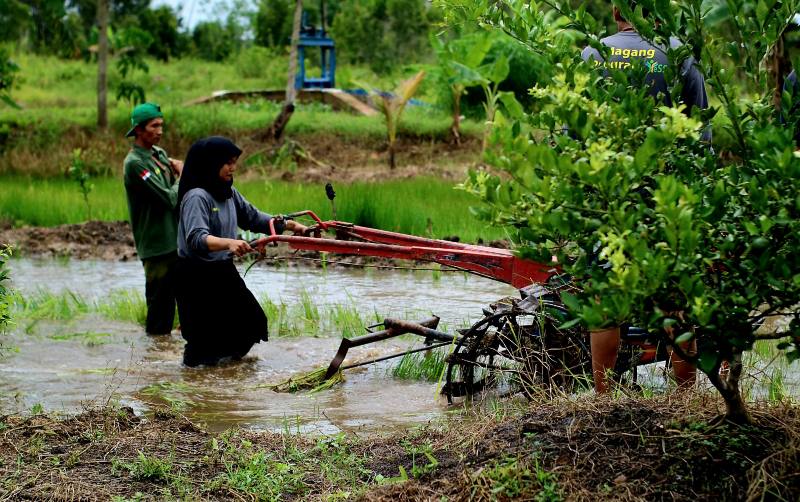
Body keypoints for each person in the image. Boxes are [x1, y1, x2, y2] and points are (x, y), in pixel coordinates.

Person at [580, 4, 709, 393]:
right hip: (666, 199)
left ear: (616, 10)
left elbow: (574, 131)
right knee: (676, 304)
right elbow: (700, 138)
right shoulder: (679, 53)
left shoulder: (591, 53)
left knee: (605, 301)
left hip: (608, 197)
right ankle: (684, 400)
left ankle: (602, 399)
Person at [175, 137, 309, 366]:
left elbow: (253, 217)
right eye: (227, 162)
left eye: (234, 162)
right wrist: (229, 243)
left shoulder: (228, 192)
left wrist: (288, 224)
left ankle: (224, 374)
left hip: (221, 270)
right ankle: (196, 386)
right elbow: (196, 238)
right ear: (211, 163)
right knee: (201, 341)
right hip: (195, 275)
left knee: (251, 323)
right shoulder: (197, 196)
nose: (232, 168)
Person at [123, 102, 183, 335]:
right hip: (156, 246)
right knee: (160, 309)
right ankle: (153, 364)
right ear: (138, 130)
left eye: (161, 125)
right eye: (154, 126)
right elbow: (169, 198)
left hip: (175, 240)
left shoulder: (158, 154)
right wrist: (183, 175)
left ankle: (168, 359)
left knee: (183, 302)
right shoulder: (135, 163)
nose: (159, 131)